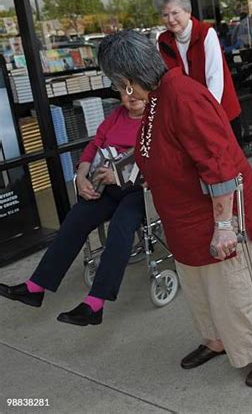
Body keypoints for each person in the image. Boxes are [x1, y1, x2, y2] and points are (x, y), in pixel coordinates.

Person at [97, 30, 252, 387]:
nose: (121, 93)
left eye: (119, 84)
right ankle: (215, 340)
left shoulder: (183, 97)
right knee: (201, 292)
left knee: (235, 292)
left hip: (216, 218)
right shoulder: (156, 97)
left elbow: (218, 164)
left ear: (127, 78)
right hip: (183, 219)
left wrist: (224, 225)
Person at [0, 91, 146, 326]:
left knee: (121, 225)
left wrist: (120, 175)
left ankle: (95, 304)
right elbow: (93, 147)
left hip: (141, 189)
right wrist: (80, 176)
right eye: (124, 89)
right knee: (77, 216)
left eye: (135, 89)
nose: (131, 96)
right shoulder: (117, 115)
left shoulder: (156, 118)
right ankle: (35, 287)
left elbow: (160, 159)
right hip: (106, 186)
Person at [153, 0, 242, 143]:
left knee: (230, 163)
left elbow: (215, 80)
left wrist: (204, 116)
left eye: (175, 13)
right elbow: (165, 82)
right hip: (187, 119)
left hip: (219, 112)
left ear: (187, 10)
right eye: (165, 15)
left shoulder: (206, 33)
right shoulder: (163, 41)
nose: (171, 19)